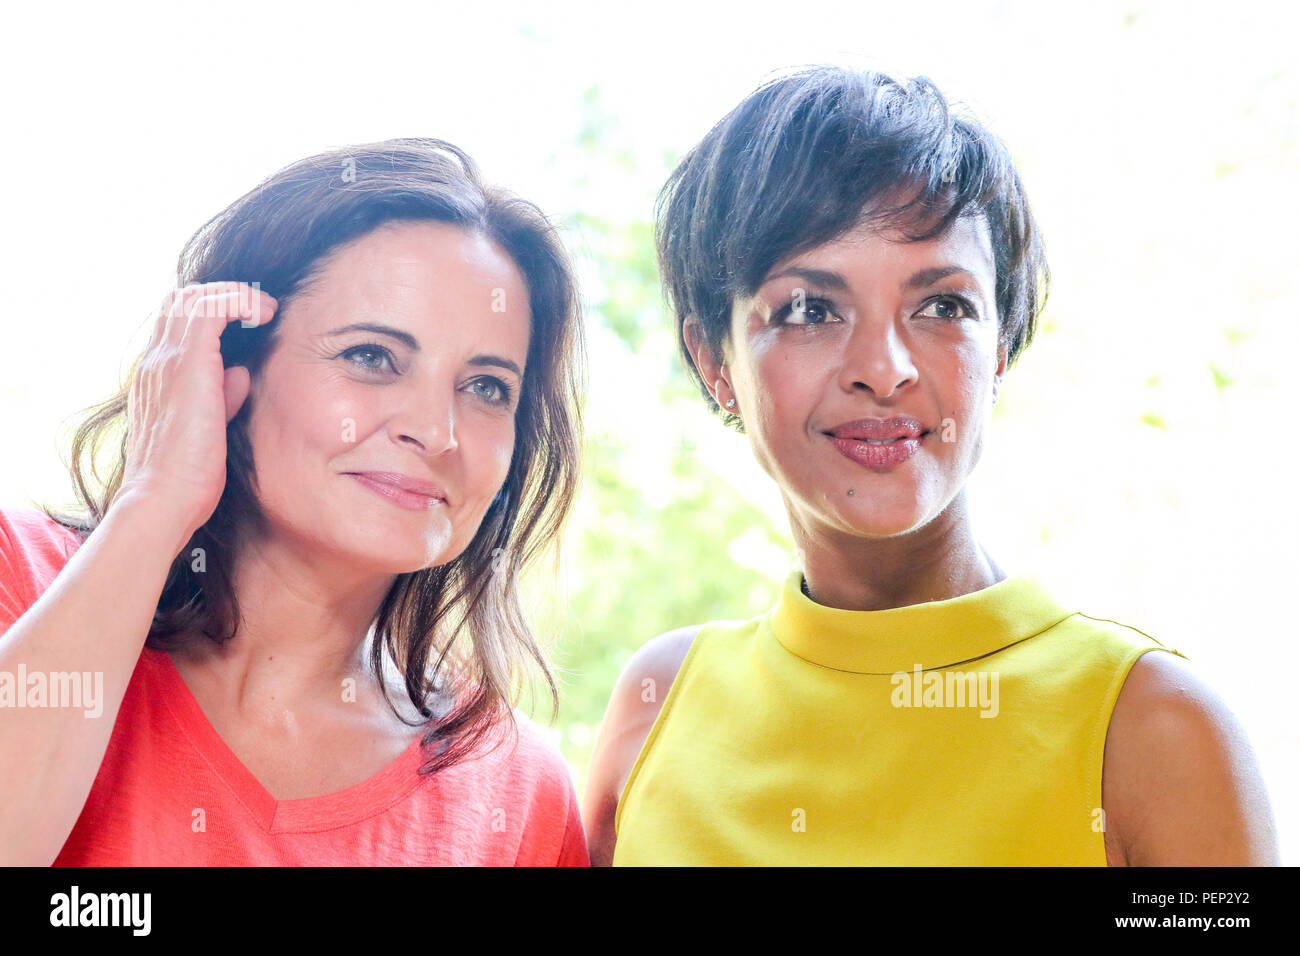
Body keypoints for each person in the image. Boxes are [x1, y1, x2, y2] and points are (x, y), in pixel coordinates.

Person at [583, 67, 1279, 865]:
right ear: (714, 359)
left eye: (943, 306)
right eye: (810, 309)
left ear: (1003, 346)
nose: (883, 369)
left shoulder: (1155, 731)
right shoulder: (655, 710)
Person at [0, 138, 589, 866]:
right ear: (227, 367)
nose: (436, 432)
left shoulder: (518, 792)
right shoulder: (20, 579)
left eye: (487, 386)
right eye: (371, 357)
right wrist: (154, 505)